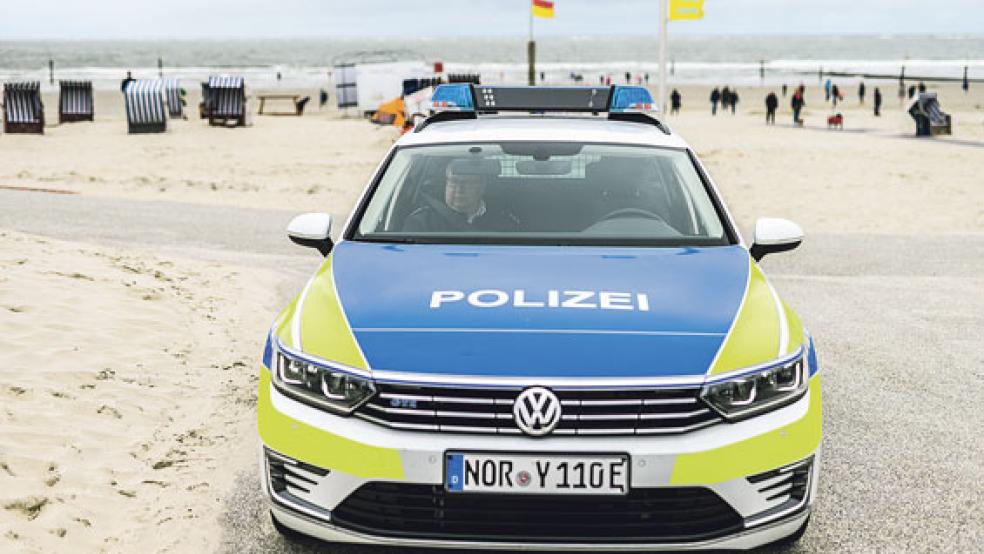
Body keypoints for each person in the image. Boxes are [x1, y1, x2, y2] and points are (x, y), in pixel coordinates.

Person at [402, 160, 520, 233]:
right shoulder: (422, 222)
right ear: (445, 184)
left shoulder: (504, 222)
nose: (459, 190)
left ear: (482, 186)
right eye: (453, 182)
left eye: (467, 183)